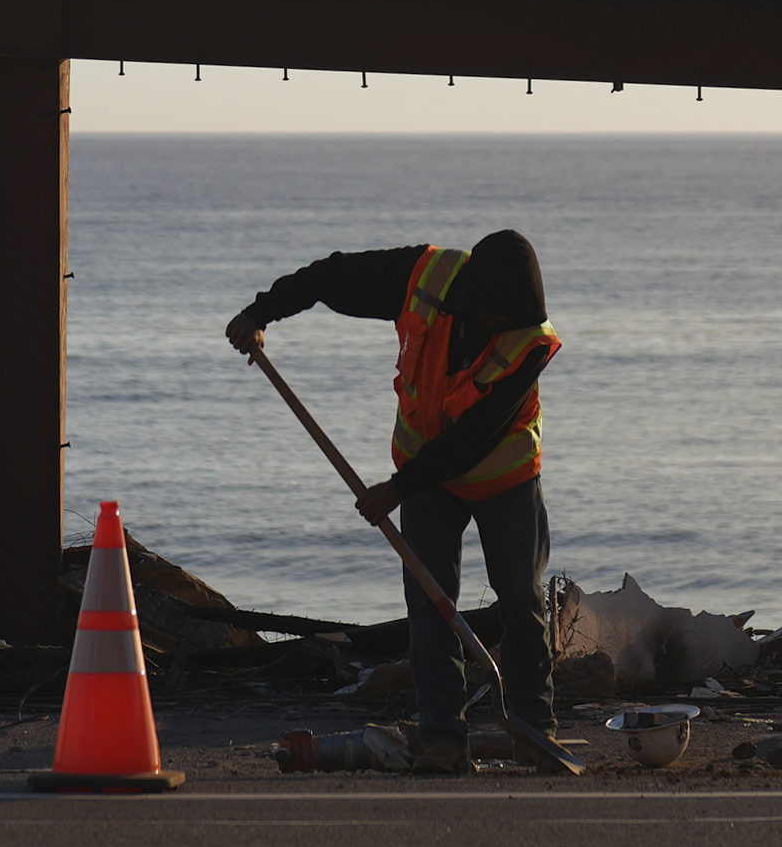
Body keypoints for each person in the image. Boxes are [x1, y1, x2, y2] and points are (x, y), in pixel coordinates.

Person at [226, 228, 556, 774]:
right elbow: (332, 278)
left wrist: (396, 490)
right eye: (494, 318)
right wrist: (262, 312)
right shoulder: (426, 278)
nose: (501, 327)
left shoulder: (531, 342)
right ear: (475, 301)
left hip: (505, 479)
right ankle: (444, 738)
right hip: (427, 478)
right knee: (430, 605)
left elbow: (474, 436)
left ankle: (534, 731)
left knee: (521, 600)